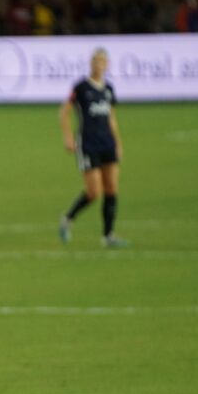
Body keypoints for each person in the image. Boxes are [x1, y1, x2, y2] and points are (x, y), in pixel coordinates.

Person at [58, 48, 128, 247]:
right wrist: (68, 137)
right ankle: (67, 219)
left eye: (102, 62)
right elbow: (64, 112)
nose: (98, 65)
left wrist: (118, 142)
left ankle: (108, 235)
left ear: (107, 65)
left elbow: (111, 118)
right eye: (95, 61)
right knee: (93, 192)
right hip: (88, 144)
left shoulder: (109, 90)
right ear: (91, 64)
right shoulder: (81, 87)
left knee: (112, 188)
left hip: (107, 142)